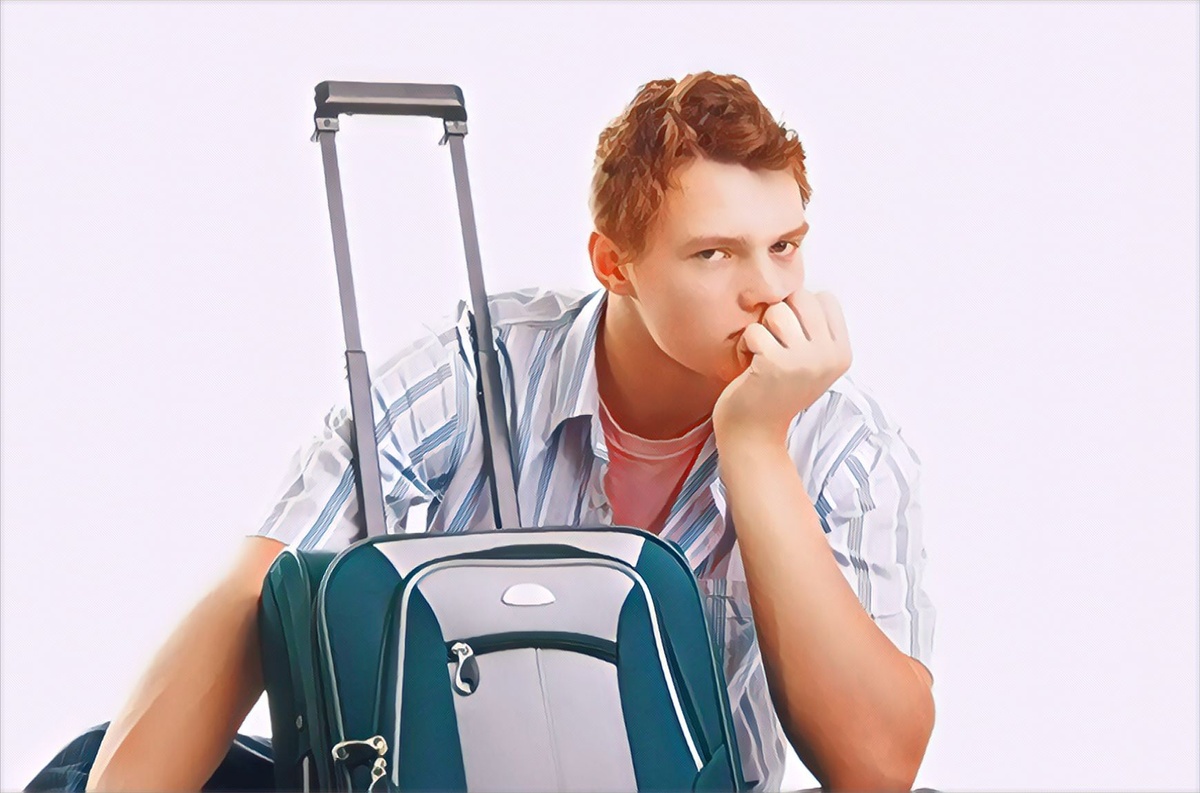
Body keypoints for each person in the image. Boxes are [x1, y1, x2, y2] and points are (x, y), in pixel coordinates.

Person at [31, 70, 937, 793]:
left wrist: (756, 447)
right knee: (91, 764)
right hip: (450, 775)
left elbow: (876, 766)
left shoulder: (847, 445)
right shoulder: (479, 369)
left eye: (784, 246)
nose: (769, 291)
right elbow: (259, 585)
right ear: (614, 263)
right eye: (714, 253)